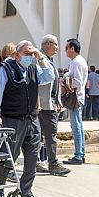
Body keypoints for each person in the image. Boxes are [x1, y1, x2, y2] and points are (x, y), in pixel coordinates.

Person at [0, 40, 55, 197]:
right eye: (26, 54)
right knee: (10, 154)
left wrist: (40, 56)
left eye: (31, 53)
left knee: (32, 156)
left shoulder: (34, 68)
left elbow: (50, 76)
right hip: (12, 119)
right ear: (16, 55)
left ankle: (25, 190)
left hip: (32, 119)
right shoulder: (5, 69)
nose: (29, 57)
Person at [37, 34, 71, 175]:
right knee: (48, 134)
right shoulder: (39, 59)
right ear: (47, 44)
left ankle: (42, 162)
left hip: (50, 103)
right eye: (55, 44)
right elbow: (38, 82)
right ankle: (52, 163)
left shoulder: (48, 60)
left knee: (46, 135)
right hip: (43, 104)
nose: (57, 47)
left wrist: (57, 101)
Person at [64, 38, 88, 165]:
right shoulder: (80, 61)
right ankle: (80, 153)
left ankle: (78, 155)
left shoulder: (76, 62)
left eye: (66, 48)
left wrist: (66, 84)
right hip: (79, 97)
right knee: (78, 126)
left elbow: (77, 82)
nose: (65, 51)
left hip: (75, 98)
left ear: (72, 48)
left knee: (76, 126)